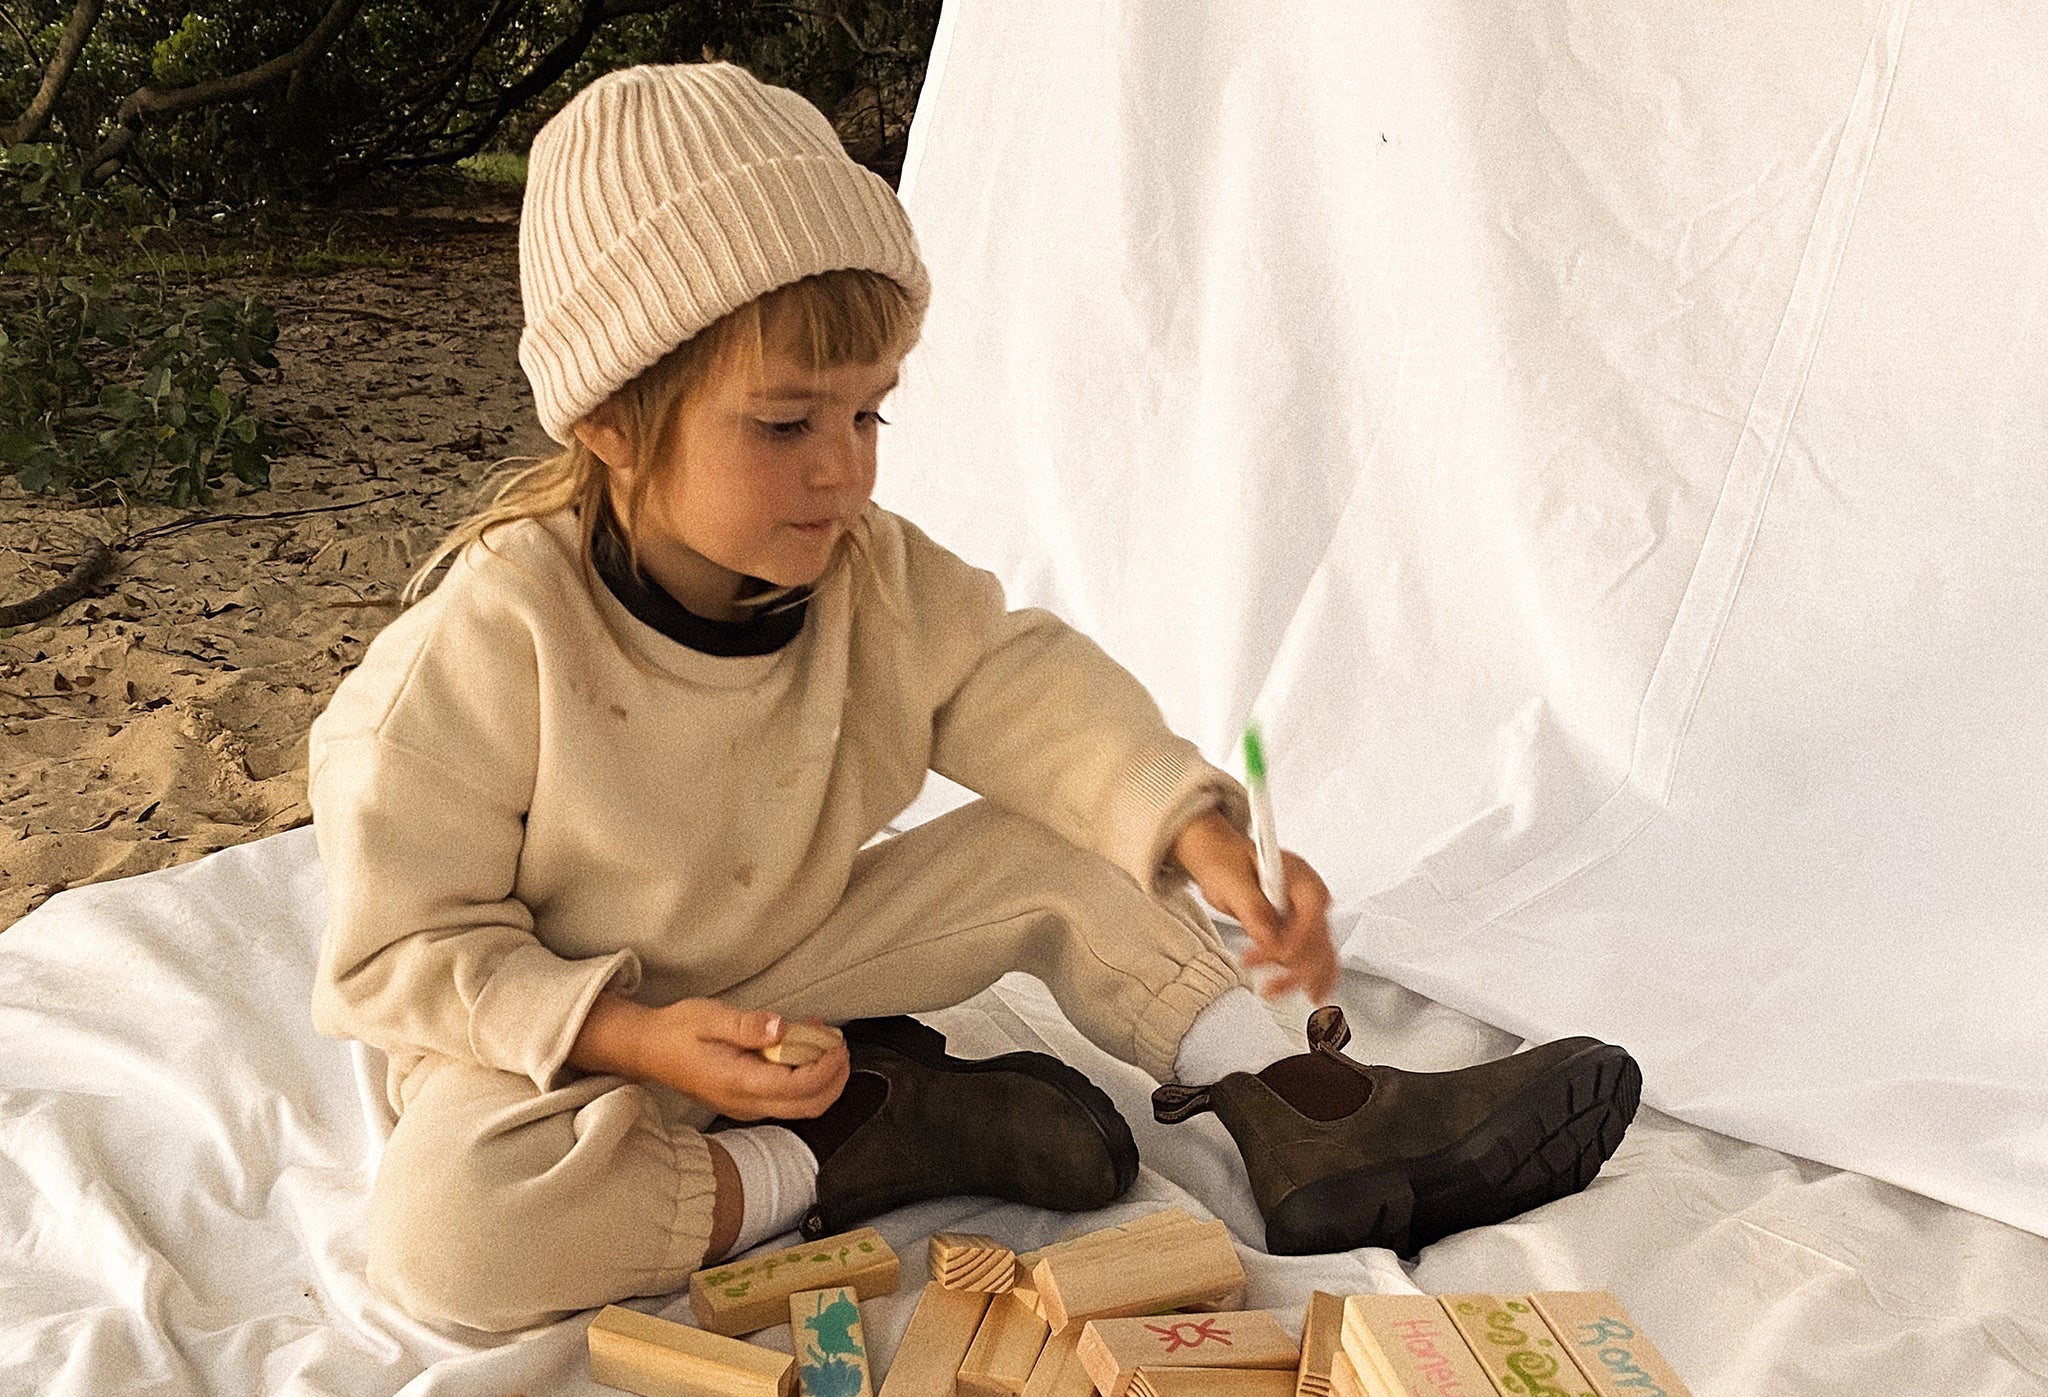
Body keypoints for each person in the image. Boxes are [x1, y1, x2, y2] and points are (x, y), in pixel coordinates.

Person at [308, 61, 1640, 1333]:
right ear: (610, 416)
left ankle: (1307, 1107)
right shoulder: (487, 647)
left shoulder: (869, 575)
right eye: (785, 423)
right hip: (568, 1027)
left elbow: (1019, 685)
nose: (842, 473)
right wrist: (639, 1040)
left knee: (1076, 837)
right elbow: (401, 951)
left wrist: (1193, 831)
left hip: (796, 957)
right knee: (447, 1233)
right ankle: (845, 1146)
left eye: (869, 415)